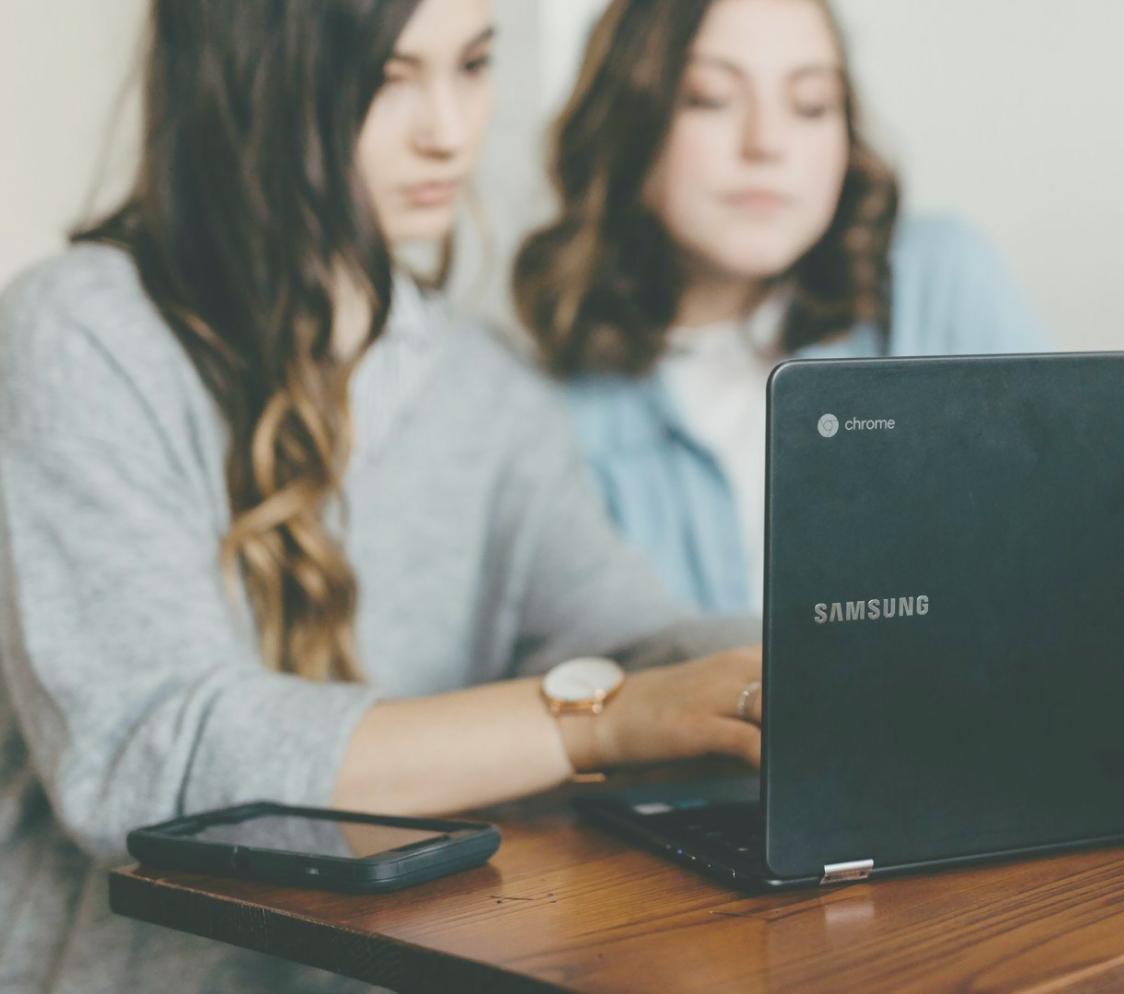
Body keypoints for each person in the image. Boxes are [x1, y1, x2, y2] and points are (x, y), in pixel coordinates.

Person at [0, 1, 765, 991]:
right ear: (252, 85)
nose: (447, 128)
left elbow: (628, 637)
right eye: (390, 77)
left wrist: (805, 663)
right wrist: (598, 721)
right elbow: (152, 753)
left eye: (473, 64)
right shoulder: (81, 334)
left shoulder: (488, 387)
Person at [514, 0, 1050, 615]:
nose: (766, 144)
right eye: (710, 98)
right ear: (624, 118)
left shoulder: (937, 280)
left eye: (811, 105)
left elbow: (1066, 553)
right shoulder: (544, 404)